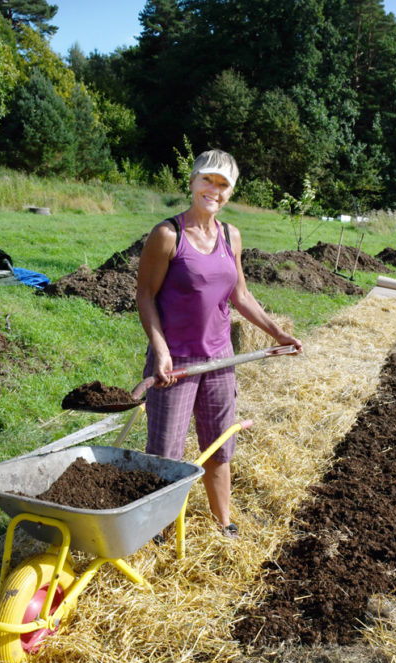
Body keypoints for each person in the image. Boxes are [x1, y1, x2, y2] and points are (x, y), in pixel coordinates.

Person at [136, 149, 302, 538]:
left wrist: (276, 332)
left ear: (230, 193)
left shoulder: (231, 236)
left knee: (219, 445)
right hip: (175, 362)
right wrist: (159, 350)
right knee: (165, 452)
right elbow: (145, 295)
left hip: (219, 361)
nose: (213, 189)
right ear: (192, 182)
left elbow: (240, 294)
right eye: (207, 180)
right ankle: (157, 530)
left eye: (223, 184)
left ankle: (223, 523)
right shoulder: (168, 235)